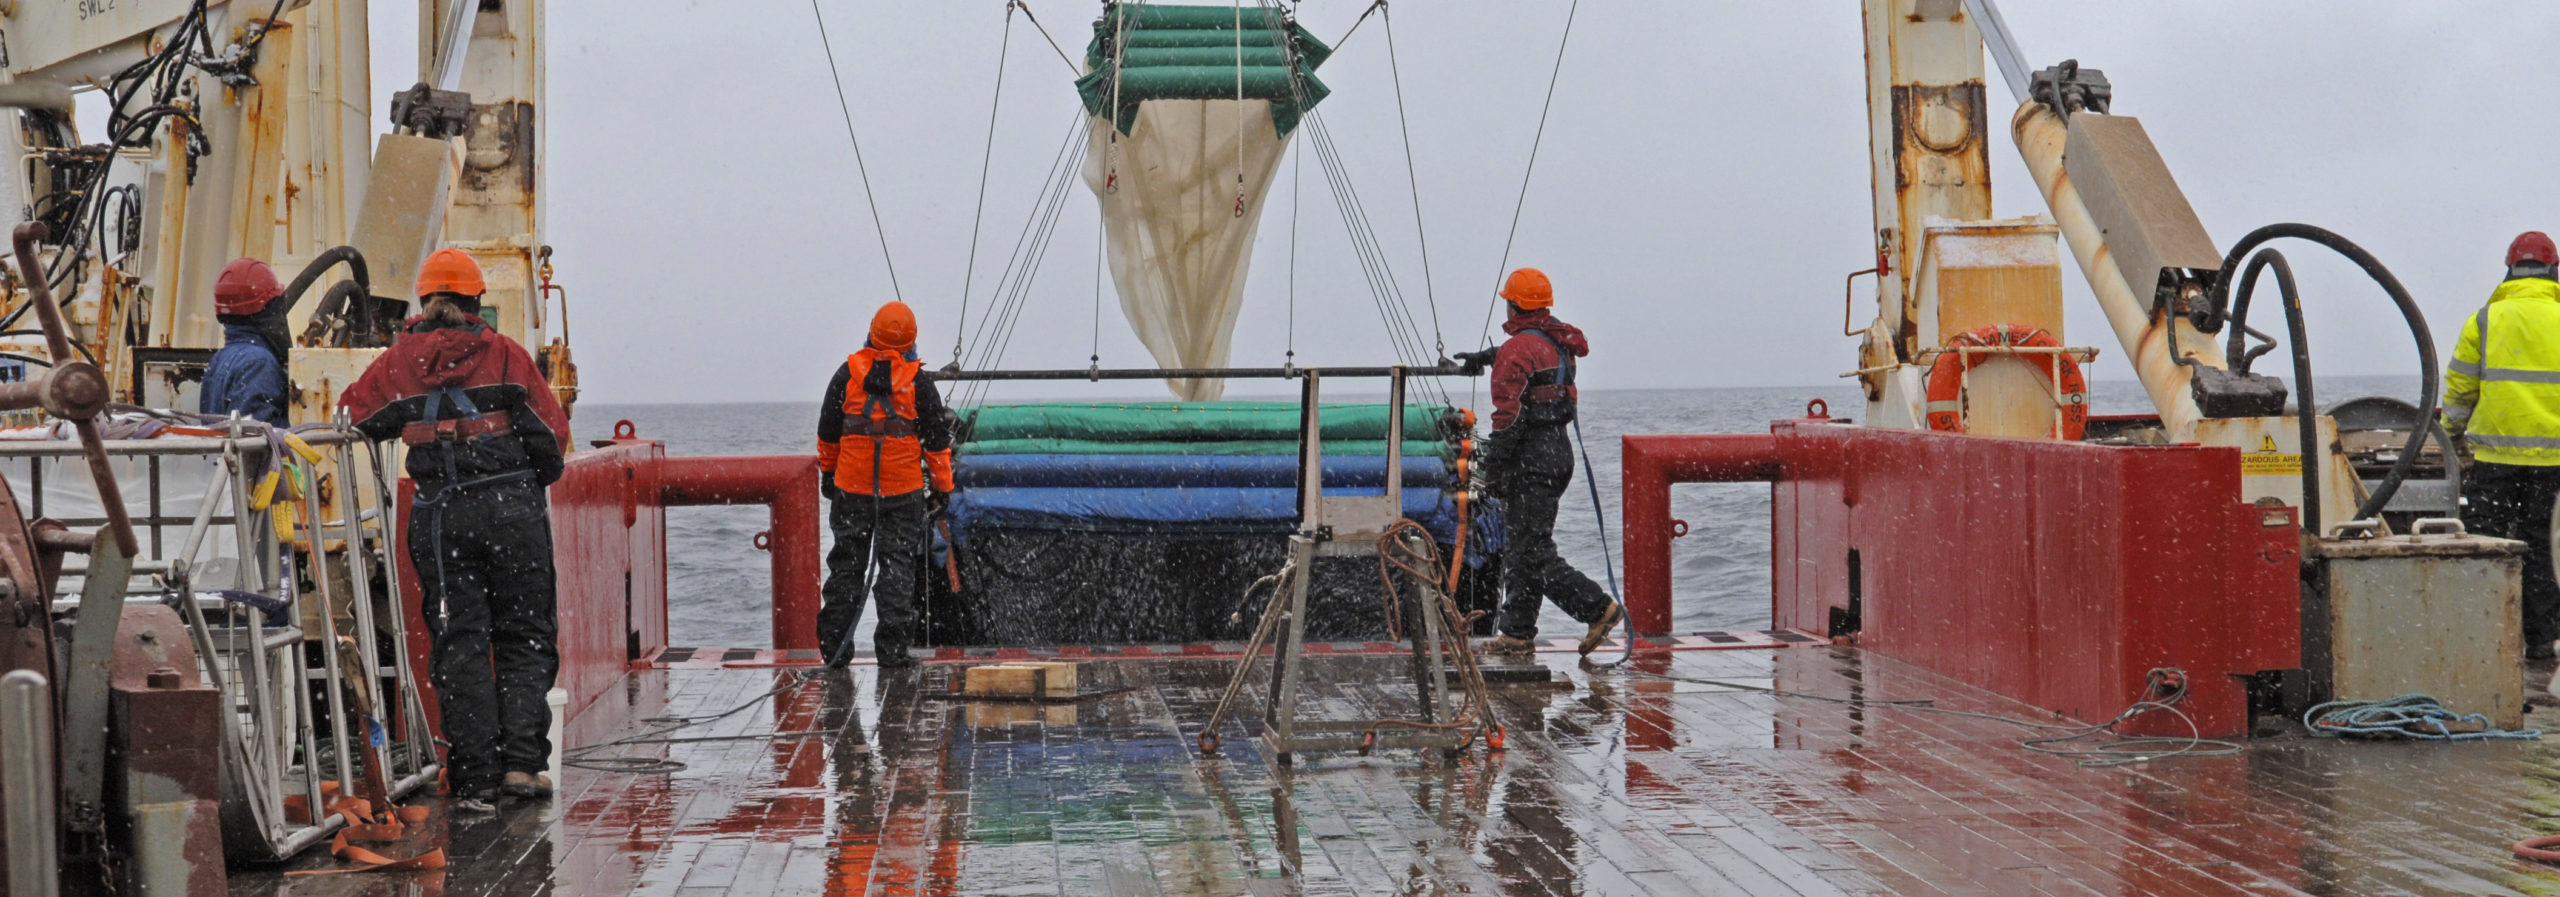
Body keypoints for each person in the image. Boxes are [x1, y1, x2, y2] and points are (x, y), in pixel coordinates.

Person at [341, 248, 570, 813]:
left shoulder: (395, 364)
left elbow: (352, 419)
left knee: (459, 641)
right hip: (512, 512)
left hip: (441, 518)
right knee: (525, 635)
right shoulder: (508, 357)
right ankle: (523, 764)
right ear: (476, 304)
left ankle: (474, 779)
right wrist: (517, 484)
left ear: (423, 303)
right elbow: (551, 439)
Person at [1454, 267, 1622, 658]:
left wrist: (1492, 467)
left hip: (1530, 459)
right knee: (1522, 547)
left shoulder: (1517, 351)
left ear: (1514, 306)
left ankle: (1598, 608)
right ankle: (1516, 632)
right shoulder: (1556, 340)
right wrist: (1488, 356)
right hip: (1556, 453)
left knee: (1532, 553)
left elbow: (1507, 418)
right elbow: (1532, 356)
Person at [815, 301, 955, 671]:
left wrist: (829, 476)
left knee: (846, 567)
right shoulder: (918, 383)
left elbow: (828, 435)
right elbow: (938, 445)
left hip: (852, 490)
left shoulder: (846, 375)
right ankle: (892, 653)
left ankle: (834, 650)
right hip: (903, 492)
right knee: (897, 569)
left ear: (872, 333)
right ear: (912, 341)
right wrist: (943, 488)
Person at [2445, 230, 2560, 660]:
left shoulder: (2484, 320)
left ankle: (2484, 635)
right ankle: (2542, 643)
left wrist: (2455, 442)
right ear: (2554, 270)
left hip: (2493, 459)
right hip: (2554, 461)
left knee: (2487, 544)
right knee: (2544, 549)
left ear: (2509, 269)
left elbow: (2458, 392)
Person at [202, 258, 293, 427]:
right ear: (267, 307)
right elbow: (255, 439)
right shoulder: (258, 363)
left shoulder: (220, 358)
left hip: (220, 453)